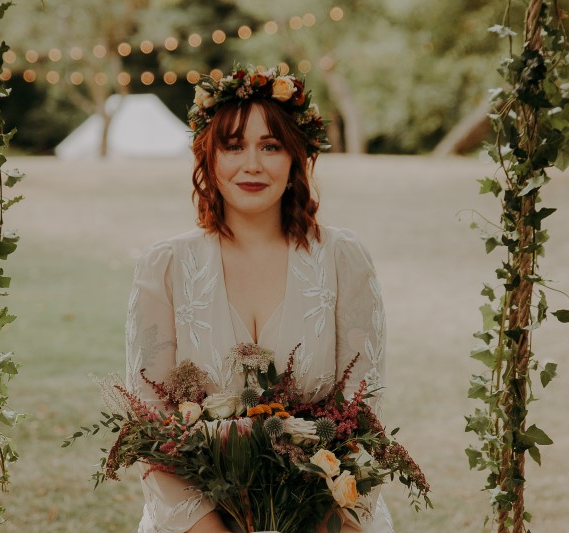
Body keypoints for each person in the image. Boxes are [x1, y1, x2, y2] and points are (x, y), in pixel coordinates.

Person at [125, 64, 394, 532]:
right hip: (195, 523)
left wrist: (329, 521)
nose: (252, 164)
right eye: (233, 147)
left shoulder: (342, 258)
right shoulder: (164, 267)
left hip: (326, 518)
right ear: (208, 158)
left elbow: (365, 410)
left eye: (270, 146)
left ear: (295, 159)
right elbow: (152, 422)